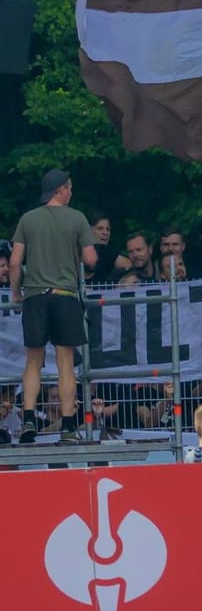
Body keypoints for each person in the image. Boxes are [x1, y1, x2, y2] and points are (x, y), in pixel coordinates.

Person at [9, 168, 96, 443]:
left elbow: (14, 262)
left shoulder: (28, 219)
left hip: (35, 295)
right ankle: (69, 427)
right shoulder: (77, 218)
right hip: (64, 294)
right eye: (69, 188)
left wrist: (16, 292)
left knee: (33, 361)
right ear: (60, 190)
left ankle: (29, 420)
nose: (71, 193)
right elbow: (91, 258)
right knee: (65, 363)